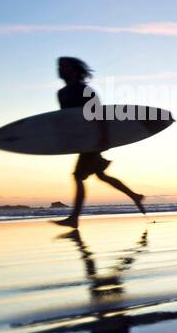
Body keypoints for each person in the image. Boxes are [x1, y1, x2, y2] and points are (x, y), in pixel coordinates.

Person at [52, 57, 147, 228]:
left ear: (74, 70)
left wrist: (104, 138)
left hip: (93, 138)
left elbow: (100, 115)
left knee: (78, 176)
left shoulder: (84, 90)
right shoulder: (62, 93)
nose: (60, 69)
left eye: (64, 66)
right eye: (59, 66)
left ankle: (74, 219)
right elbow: (67, 118)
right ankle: (135, 196)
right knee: (101, 175)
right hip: (82, 140)